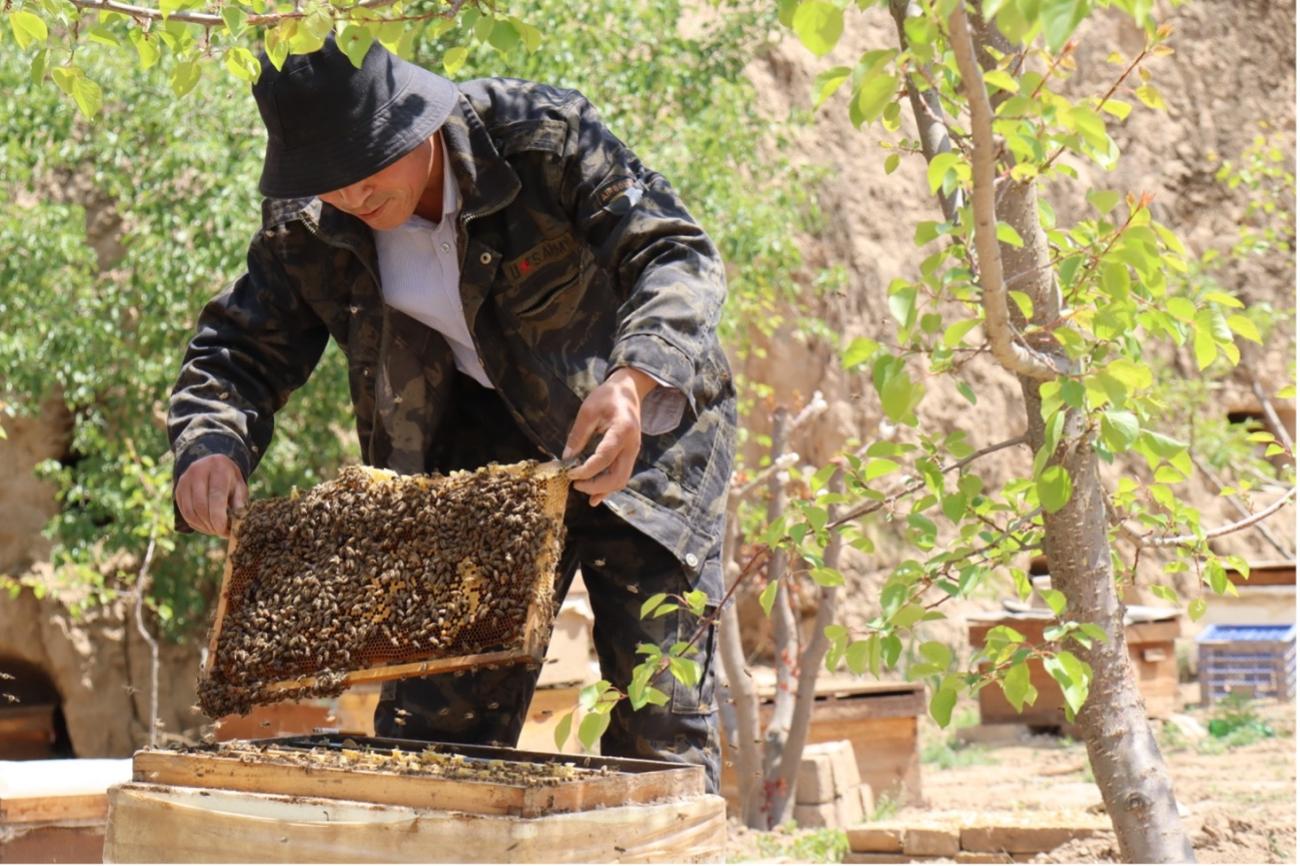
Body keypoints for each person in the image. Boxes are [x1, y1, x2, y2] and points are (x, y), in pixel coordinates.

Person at [167, 36, 736, 792]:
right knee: (433, 745)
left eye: (367, 165)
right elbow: (237, 351)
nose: (351, 196)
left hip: (640, 437)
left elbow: (677, 255)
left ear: (419, 119)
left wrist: (635, 378)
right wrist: (212, 443)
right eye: (326, 179)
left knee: (661, 727)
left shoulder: (543, 136)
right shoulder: (308, 225)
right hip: (475, 471)